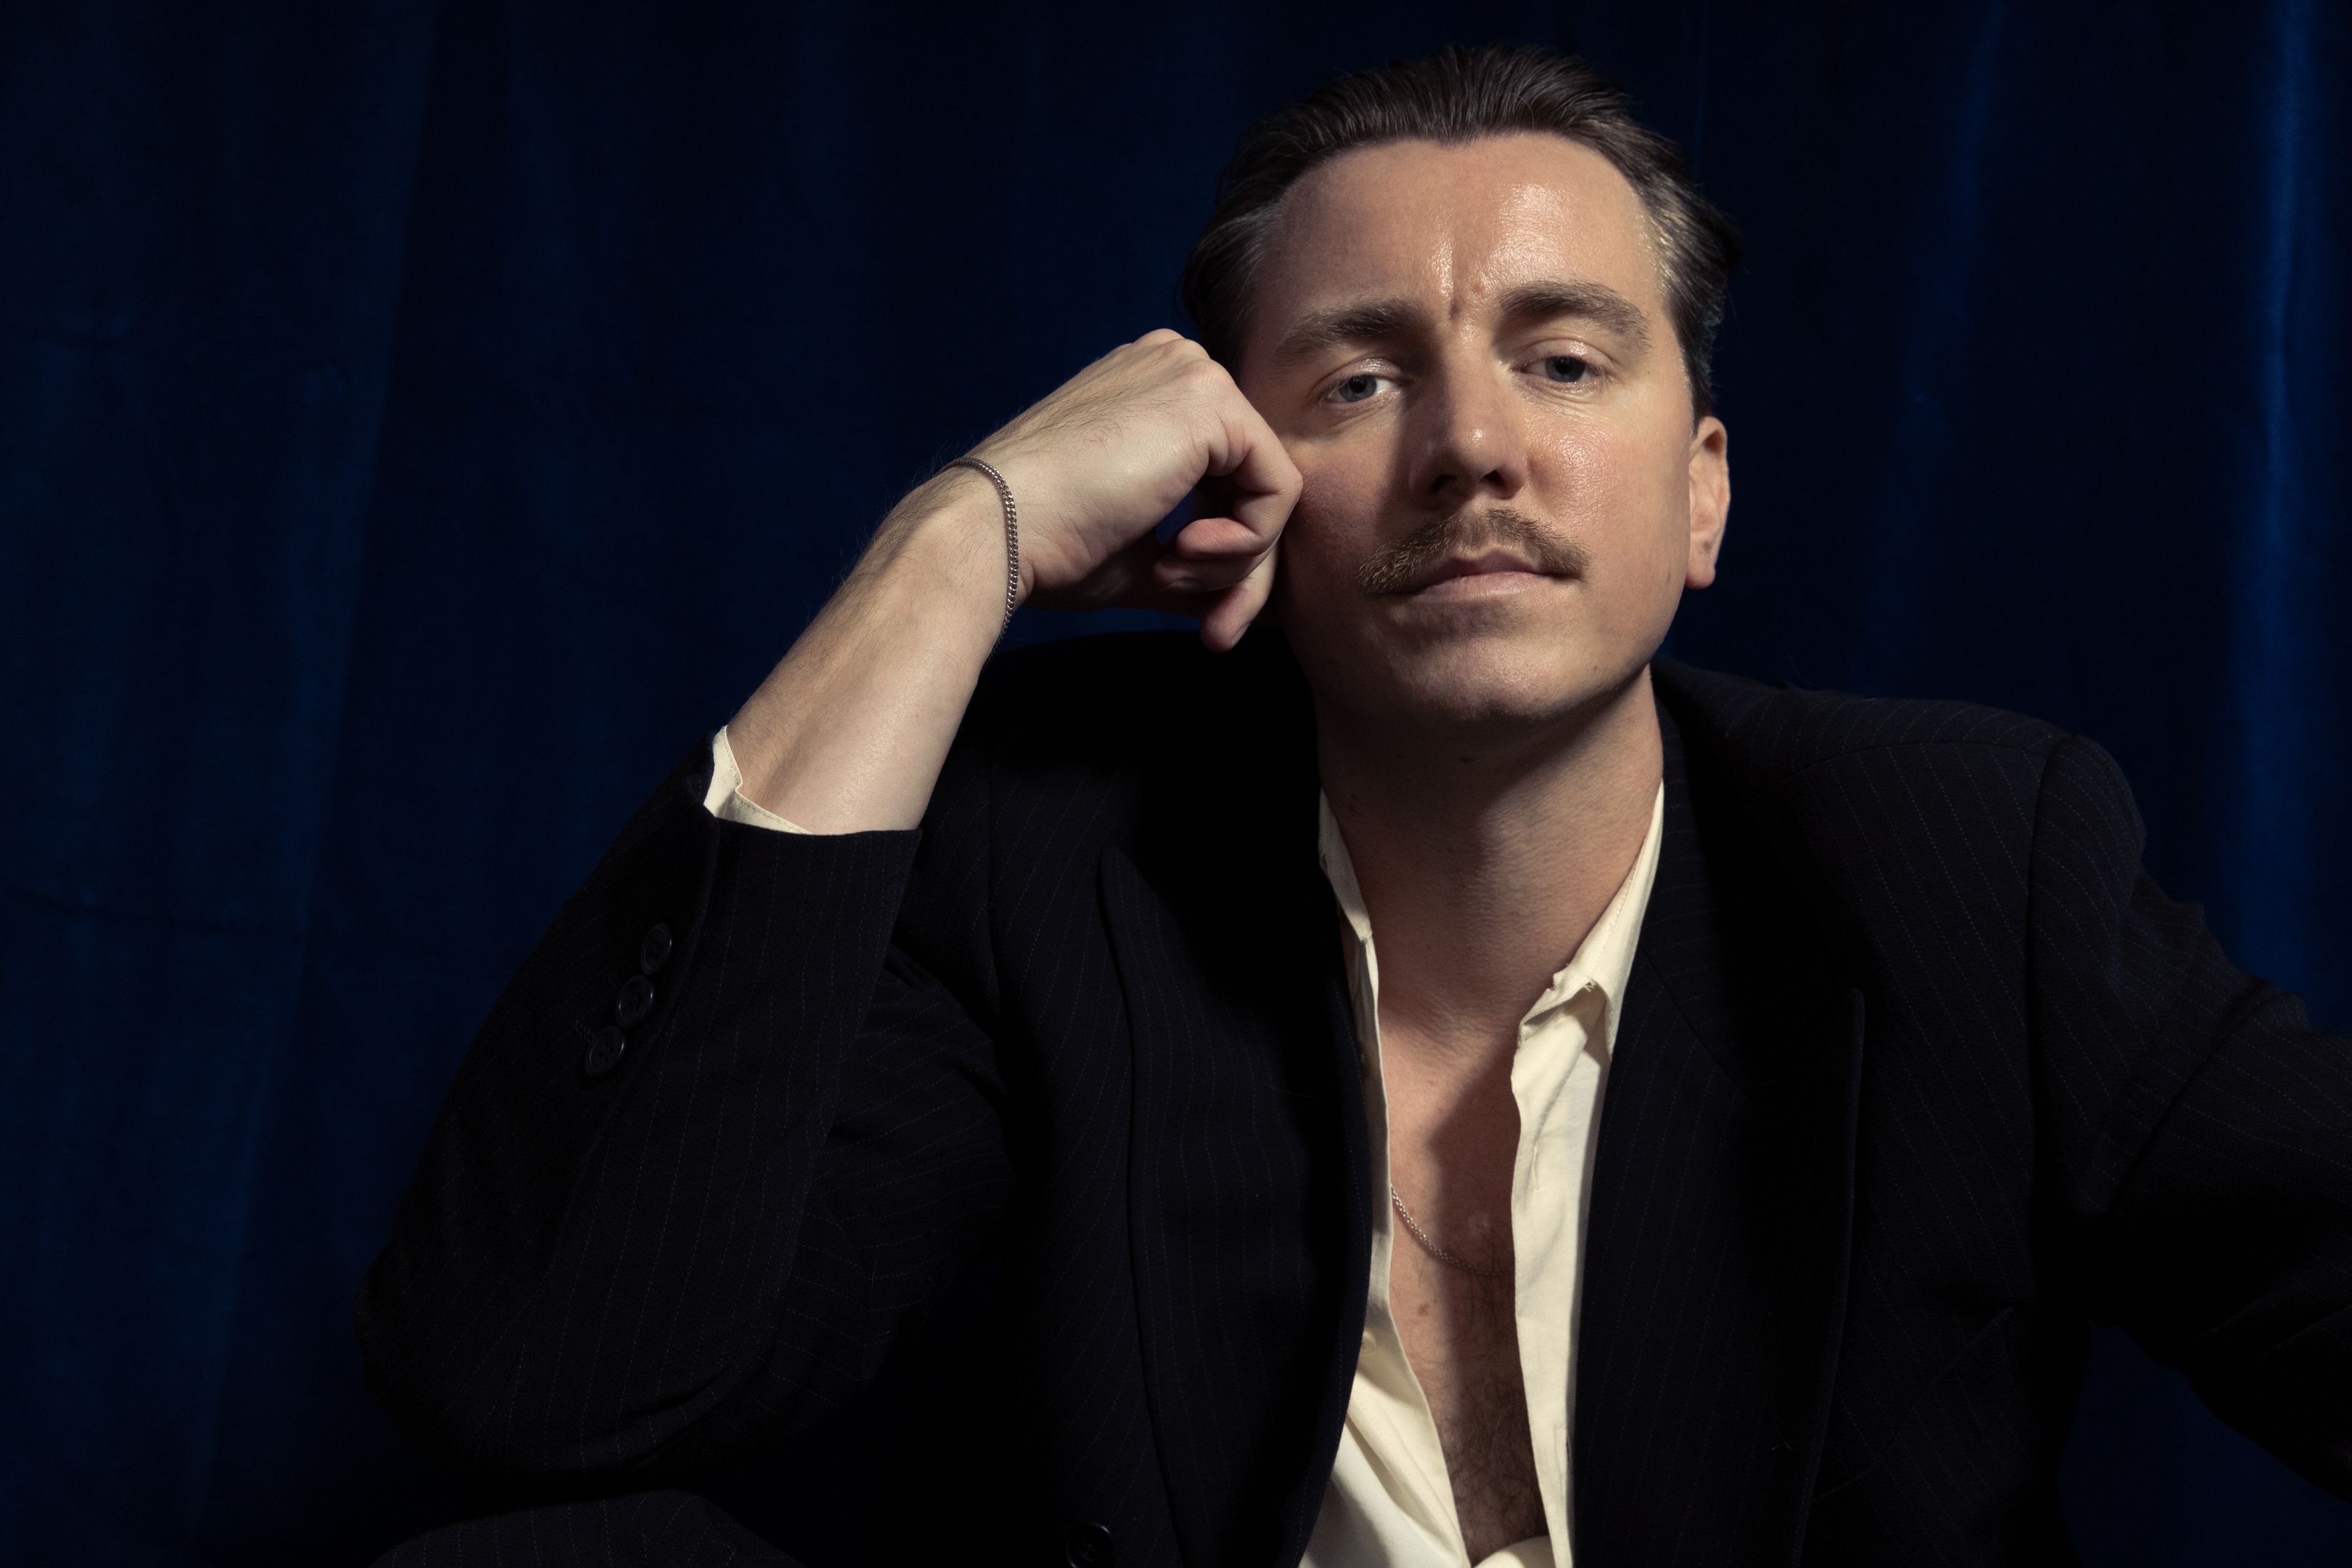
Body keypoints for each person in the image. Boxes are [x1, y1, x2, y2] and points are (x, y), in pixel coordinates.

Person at [357, 44, 2352, 1568]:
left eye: (1563, 360)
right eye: (1359, 384)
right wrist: (954, 547)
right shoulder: (1054, 863)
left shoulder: (1972, 865)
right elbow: (542, 1378)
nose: (1474, 446)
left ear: (1704, 494)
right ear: (1230, 484)